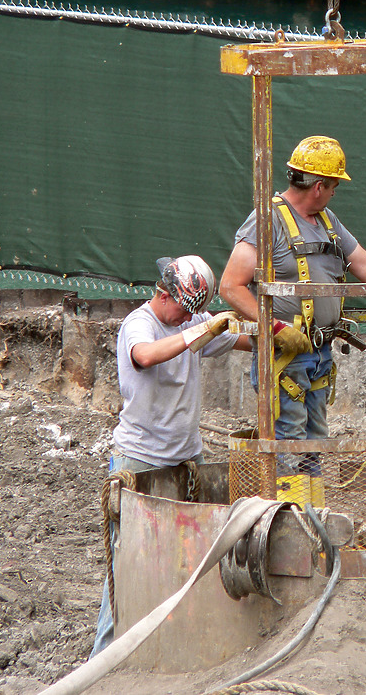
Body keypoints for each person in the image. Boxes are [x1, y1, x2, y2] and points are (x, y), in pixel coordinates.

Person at [91, 254, 251, 656]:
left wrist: (281, 332)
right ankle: (103, 661)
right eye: (185, 311)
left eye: (194, 315)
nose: (188, 319)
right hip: (139, 460)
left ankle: (171, 650)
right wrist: (200, 331)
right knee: (126, 570)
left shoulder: (192, 321)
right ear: (165, 294)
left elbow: (244, 338)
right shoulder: (139, 324)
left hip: (185, 461)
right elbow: (145, 355)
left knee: (184, 563)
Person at [219, 135, 366, 476]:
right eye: (334, 185)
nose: (336, 191)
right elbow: (231, 286)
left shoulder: (327, 221)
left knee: (314, 442)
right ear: (318, 186)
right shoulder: (267, 221)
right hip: (285, 357)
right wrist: (274, 327)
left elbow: (360, 260)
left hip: (320, 351)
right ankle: (289, 519)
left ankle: (310, 513)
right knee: (289, 441)